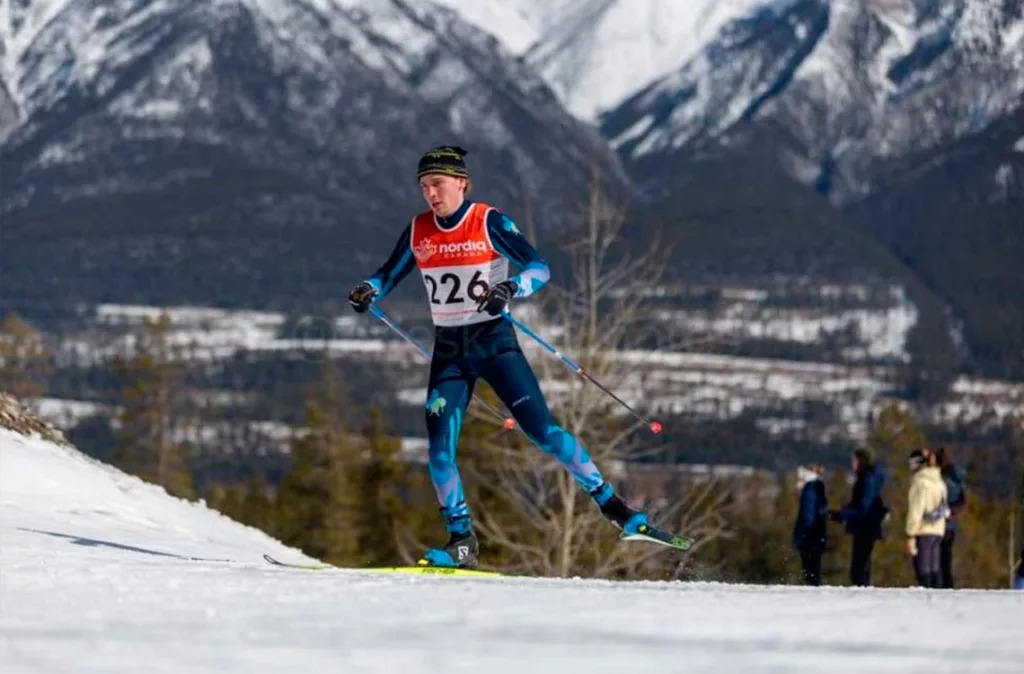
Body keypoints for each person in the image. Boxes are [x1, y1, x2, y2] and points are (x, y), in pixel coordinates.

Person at [347, 145, 650, 569]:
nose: (430, 193)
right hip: (450, 353)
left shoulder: (487, 220)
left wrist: (511, 288)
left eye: (437, 184)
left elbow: (539, 266)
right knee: (438, 452)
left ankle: (613, 506)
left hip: (495, 345)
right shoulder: (418, 230)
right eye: (423, 186)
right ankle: (462, 539)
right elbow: (387, 273)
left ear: (461, 183)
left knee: (543, 433)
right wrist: (368, 289)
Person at [830, 448, 888, 586]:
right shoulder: (869, 477)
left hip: (865, 525)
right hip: (867, 525)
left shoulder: (866, 479)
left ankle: (862, 594)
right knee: (862, 564)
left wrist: (842, 514)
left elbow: (863, 507)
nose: (852, 463)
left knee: (859, 568)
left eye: (854, 460)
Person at [906, 448, 948, 588]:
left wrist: (910, 533)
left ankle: (927, 600)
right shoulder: (940, 482)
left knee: (923, 570)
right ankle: (938, 595)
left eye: (912, 463)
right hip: (938, 529)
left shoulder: (920, 482)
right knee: (935, 568)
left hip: (922, 530)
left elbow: (916, 510)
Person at [935, 447, 966, 588]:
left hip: (942, 522)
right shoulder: (956, 478)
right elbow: (962, 500)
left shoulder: (945, 479)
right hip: (950, 522)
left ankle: (943, 584)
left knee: (940, 557)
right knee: (945, 556)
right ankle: (947, 584)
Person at [792, 464, 828, 586]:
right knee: (814, 569)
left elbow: (807, 516)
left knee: (810, 571)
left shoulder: (809, 490)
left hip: (808, 536)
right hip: (817, 535)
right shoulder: (819, 487)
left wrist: (799, 536)